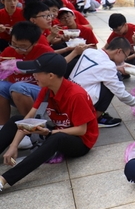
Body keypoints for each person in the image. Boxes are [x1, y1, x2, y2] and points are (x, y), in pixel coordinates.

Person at [0, 53, 98, 192]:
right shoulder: (46, 89)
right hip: (56, 130)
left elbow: (81, 130)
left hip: (80, 142)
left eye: (36, 72)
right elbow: (28, 118)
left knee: (57, 138)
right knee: (16, 120)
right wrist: (14, 145)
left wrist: (51, 132)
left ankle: (3, 180)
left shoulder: (76, 95)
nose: (33, 76)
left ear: (51, 75)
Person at [67, 37, 135, 128]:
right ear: (119, 51)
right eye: (125, 56)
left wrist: (117, 68)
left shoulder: (89, 51)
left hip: (68, 96)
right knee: (114, 82)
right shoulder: (108, 66)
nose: (123, 60)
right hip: (80, 102)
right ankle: (93, 119)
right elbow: (120, 93)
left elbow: (97, 68)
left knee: (112, 78)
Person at [0, 22, 54, 125]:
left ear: (34, 43)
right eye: (14, 44)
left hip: (41, 92)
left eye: (23, 46)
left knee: (18, 87)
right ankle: (3, 126)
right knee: (1, 87)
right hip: (15, 92)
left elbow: (55, 74)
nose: (17, 49)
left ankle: (31, 126)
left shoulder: (45, 52)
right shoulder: (8, 51)